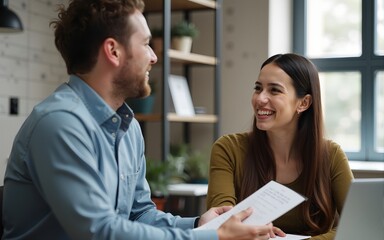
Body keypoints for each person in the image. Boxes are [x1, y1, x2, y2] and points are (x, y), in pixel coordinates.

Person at [2, 0, 283, 239]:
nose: (153, 56)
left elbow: (139, 214)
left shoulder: (128, 127)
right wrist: (211, 237)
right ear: (113, 51)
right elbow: (99, 231)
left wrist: (199, 225)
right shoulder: (60, 123)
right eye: (146, 44)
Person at [206, 53, 354, 240]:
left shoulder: (331, 155)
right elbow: (222, 222)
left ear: (304, 103)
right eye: (258, 88)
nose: (260, 99)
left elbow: (357, 226)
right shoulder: (228, 149)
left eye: (274, 90)